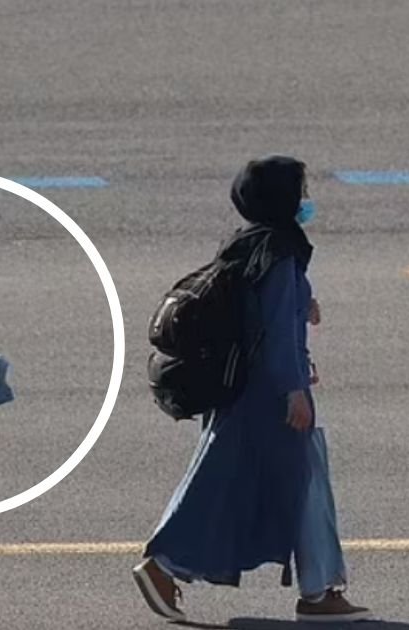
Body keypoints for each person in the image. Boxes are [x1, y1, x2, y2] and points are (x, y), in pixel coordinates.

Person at [131, 155, 370, 624]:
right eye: (300, 192)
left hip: (246, 386)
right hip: (266, 395)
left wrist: (304, 306)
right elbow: (277, 329)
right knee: (225, 478)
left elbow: (258, 315)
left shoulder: (247, 243)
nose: (305, 201)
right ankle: (163, 564)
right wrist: (294, 388)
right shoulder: (280, 251)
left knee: (295, 478)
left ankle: (320, 590)